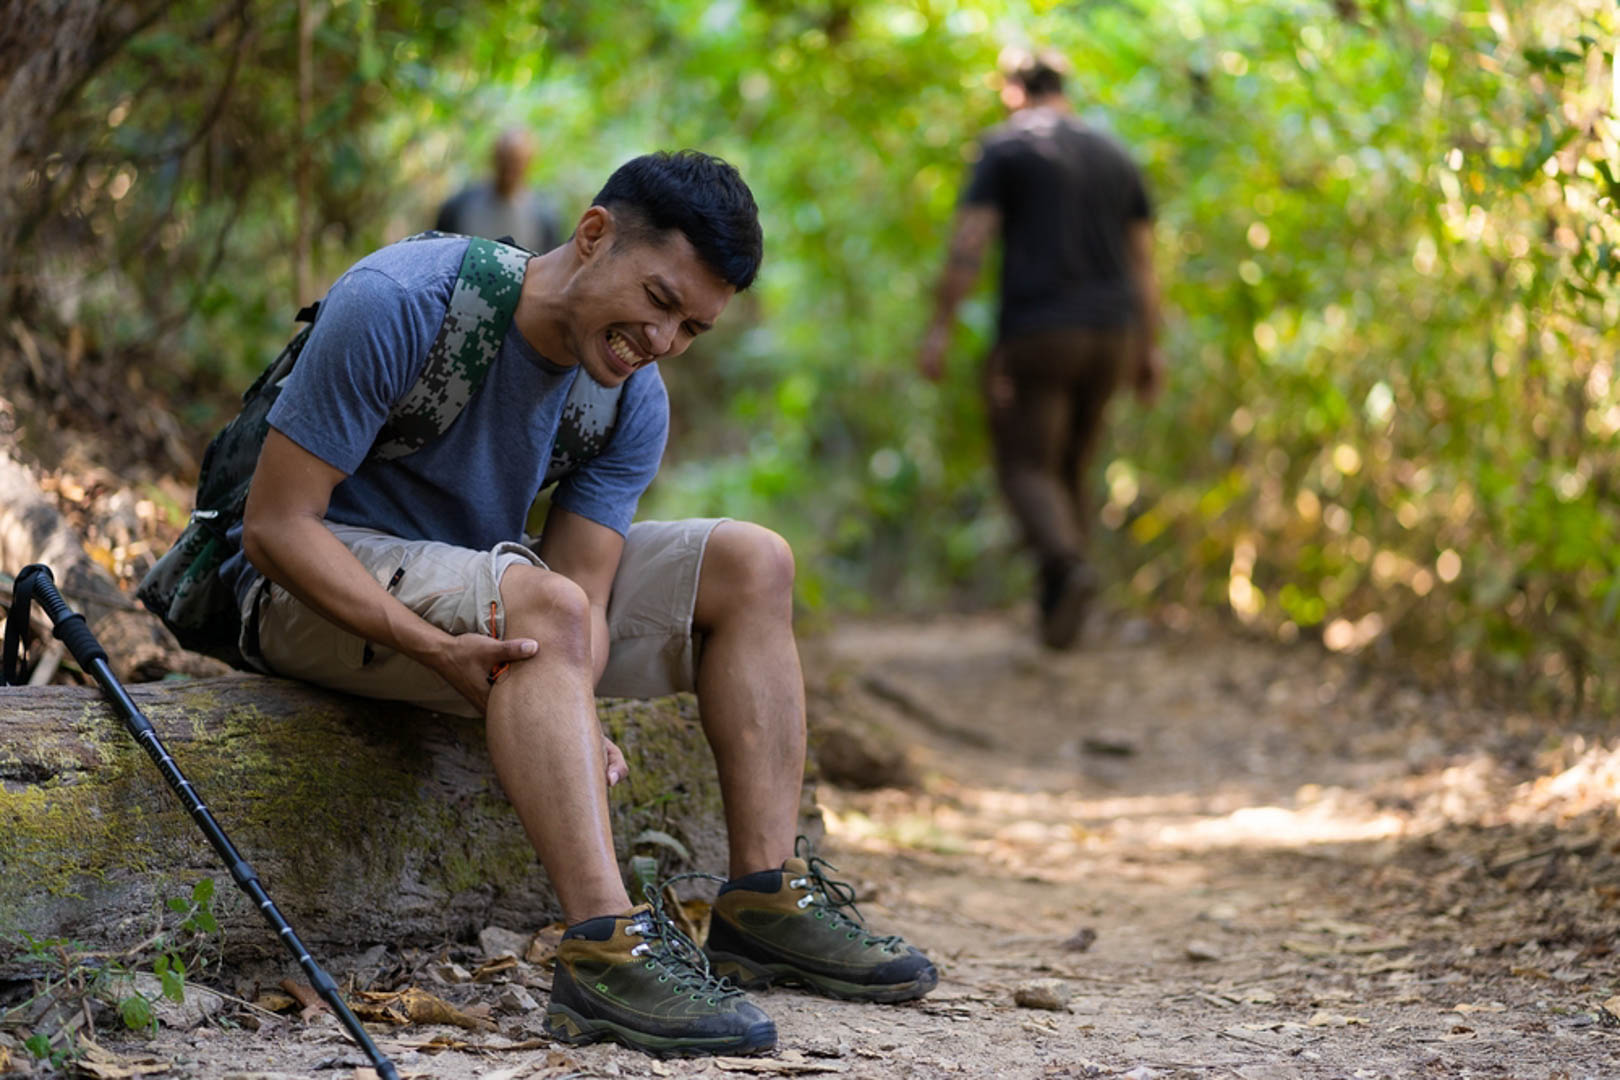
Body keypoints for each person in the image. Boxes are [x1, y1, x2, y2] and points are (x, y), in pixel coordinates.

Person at [227, 151, 936, 1056]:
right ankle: (605, 948)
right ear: (594, 234)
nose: (665, 340)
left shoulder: (630, 398)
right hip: (304, 592)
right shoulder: (405, 299)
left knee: (754, 563)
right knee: (545, 610)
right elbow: (277, 528)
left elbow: (583, 592)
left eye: (693, 328)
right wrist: (433, 647)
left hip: (491, 590)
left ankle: (763, 900)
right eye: (659, 299)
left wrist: (570, 699)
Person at [918, 48, 1164, 650]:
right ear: (1063, 86)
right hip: (1112, 333)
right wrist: (1150, 347)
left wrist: (941, 325)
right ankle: (1062, 614)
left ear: (1012, 90)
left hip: (1040, 331)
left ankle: (1066, 566)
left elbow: (971, 239)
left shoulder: (1007, 146)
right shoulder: (1116, 155)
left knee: (1026, 465)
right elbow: (1144, 265)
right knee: (1070, 467)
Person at [435, 128, 564, 252]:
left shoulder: (545, 217)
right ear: (494, 158)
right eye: (505, 160)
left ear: (529, 162)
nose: (509, 169)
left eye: (516, 162)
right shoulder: (458, 208)